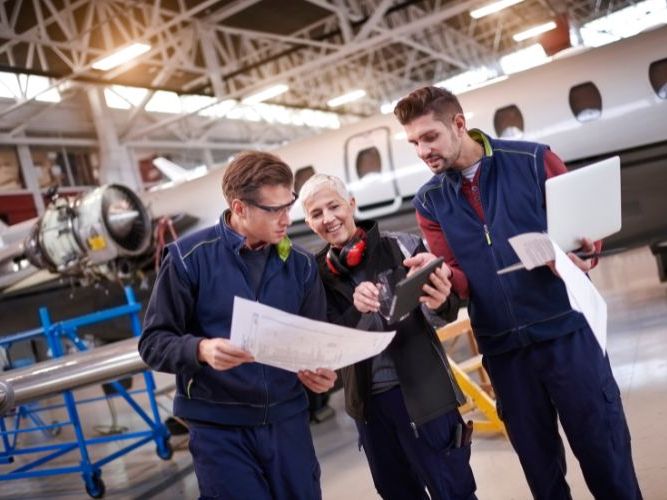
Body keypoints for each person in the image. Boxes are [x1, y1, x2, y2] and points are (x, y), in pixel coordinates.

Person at [393, 86, 642, 500]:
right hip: (505, 354)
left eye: (429, 137)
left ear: (459, 124)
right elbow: (457, 275)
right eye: (414, 142)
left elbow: (585, 232)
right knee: (542, 478)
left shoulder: (531, 160)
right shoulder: (430, 202)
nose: (422, 150)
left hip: (567, 335)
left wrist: (580, 249)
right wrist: (436, 283)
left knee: (607, 458)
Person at [139, 151, 337, 500]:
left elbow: (315, 341)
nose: (286, 218)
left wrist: (324, 373)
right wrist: (200, 349)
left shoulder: (302, 265)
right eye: (273, 210)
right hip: (219, 429)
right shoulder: (188, 259)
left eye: (288, 205)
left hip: (287, 423)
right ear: (240, 208)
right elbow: (153, 342)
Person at [301, 173, 477, 500]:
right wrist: (354, 310)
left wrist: (440, 301)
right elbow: (324, 342)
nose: (328, 218)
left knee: (454, 491)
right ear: (309, 223)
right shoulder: (314, 278)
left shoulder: (401, 246)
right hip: (369, 409)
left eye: (333, 206)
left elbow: (449, 306)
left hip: (426, 394)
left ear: (351, 204)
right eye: (316, 214)